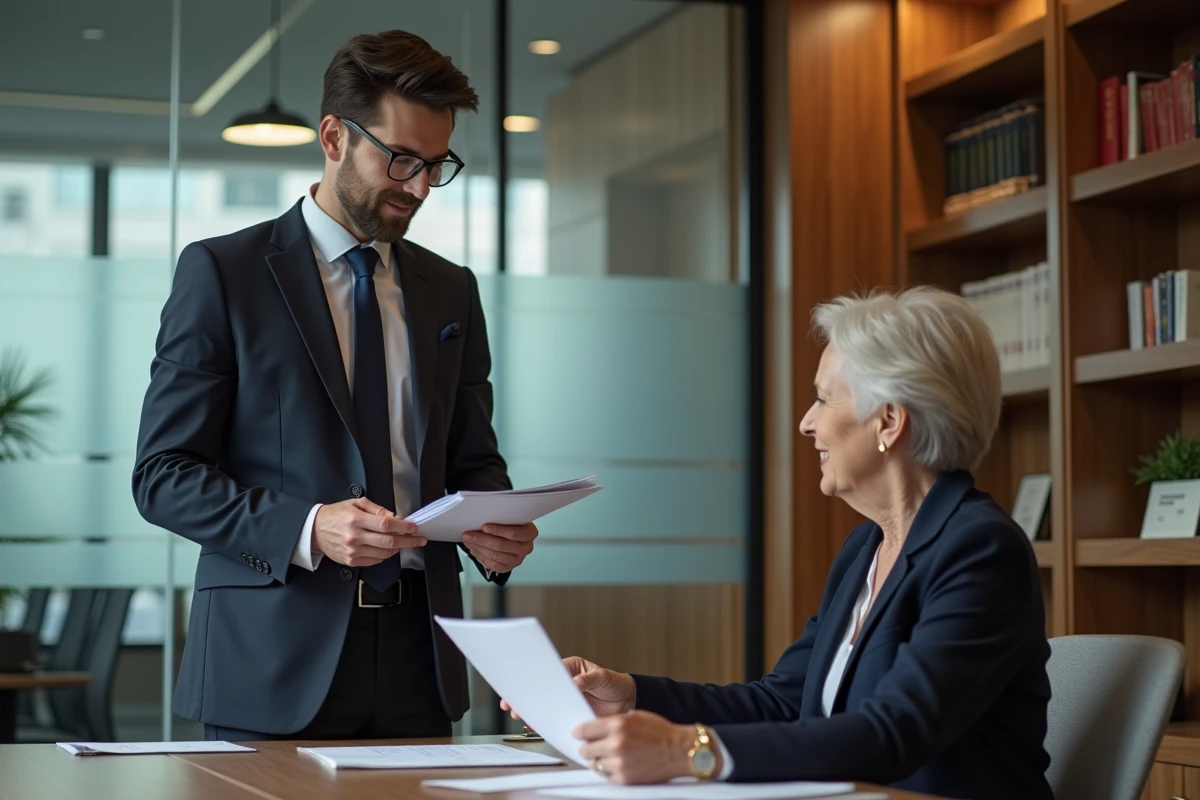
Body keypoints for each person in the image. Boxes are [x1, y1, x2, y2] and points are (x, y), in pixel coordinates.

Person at [133, 30, 538, 741]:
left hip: (422, 660)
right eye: (402, 159)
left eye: (436, 167)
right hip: (269, 662)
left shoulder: (451, 290)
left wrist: (495, 523)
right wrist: (308, 526)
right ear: (333, 137)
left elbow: (471, 454)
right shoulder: (224, 275)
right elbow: (163, 476)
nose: (418, 188)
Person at [516, 287, 1051, 800]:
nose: (806, 423)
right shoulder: (866, 547)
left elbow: (894, 732)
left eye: (822, 399)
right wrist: (630, 696)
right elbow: (784, 701)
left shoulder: (980, 550)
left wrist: (688, 751)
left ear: (889, 420)